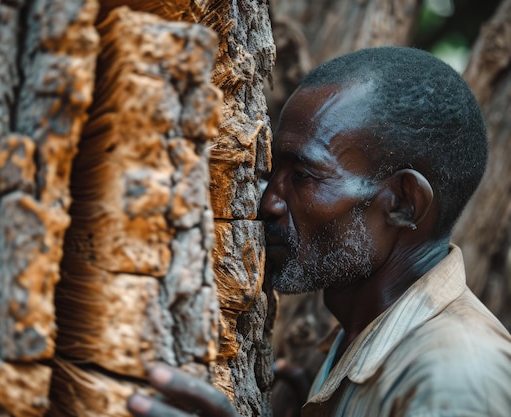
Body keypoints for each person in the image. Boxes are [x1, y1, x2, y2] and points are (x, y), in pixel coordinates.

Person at [126, 46, 511, 417]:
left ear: (401, 203)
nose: (269, 203)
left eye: (301, 176)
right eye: (272, 171)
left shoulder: (454, 378)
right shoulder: (359, 340)